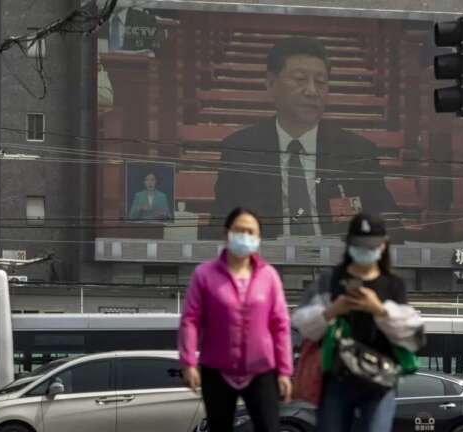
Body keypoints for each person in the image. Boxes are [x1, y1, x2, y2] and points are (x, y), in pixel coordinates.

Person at [210, 37, 396, 239]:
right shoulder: (241, 149)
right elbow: (220, 229)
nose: (312, 91)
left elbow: (390, 227)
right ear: (271, 84)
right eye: (300, 79)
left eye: (321, 82)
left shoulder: (357, 151)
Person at [291, 212, 424, 432]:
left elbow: (413, 337)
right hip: (336, 379)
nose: (365, 250)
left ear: (383, 245)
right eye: (359, 245)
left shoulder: (393, 284)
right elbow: (301, 325)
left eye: (371, 245)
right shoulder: (330, 279)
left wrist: (379, 309)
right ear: (349, 244)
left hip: (380, 381)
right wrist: (333, 310)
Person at [179, 208, 293, 432]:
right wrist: (188, 362)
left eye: (251, 232)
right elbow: (190, 320)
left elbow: (280, 325)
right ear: (227, 234)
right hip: (216, 369)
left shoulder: (269, 276)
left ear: (258, 238)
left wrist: (284, 371)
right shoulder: (204, 275)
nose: (245, 236)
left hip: (261, 370)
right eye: (239, 230)